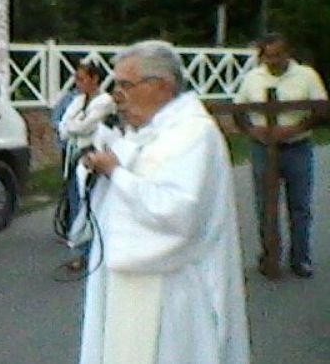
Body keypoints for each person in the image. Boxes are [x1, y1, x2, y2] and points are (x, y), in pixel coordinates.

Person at [77, 40, 250, 364]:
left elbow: (178, 213)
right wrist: (102, 163)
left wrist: (116, 172)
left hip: (171, 291)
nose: (116, 95)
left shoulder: (194, 135)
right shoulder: (151, 132)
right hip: (133, 284)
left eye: (125, 85)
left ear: (161, 86)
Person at [234, 33, 328, 278]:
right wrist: (253, 130)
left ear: (287, 53)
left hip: (297, 146)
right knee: (265, 205)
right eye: (268, 56)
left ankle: (301, 258)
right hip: (263, 148)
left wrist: (296, 128)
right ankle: (269, 257)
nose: (272, 61)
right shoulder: (253, 78)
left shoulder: (306, 76)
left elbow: (321, 109)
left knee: (299, 205)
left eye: (277, 55)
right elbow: (239, 110)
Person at [57, 63, 114, 271]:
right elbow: (63, 127)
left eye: (82, 79)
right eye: (77, 79)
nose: (78, 83)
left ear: (94, 79)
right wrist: (75, 126)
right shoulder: (78, 100)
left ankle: (94, 251)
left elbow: (85, 126)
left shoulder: (105, 101)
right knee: (75, 203)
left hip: (94, 157)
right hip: (76, 156)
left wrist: (75, 126)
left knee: (92, 204)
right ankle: (79, 252)